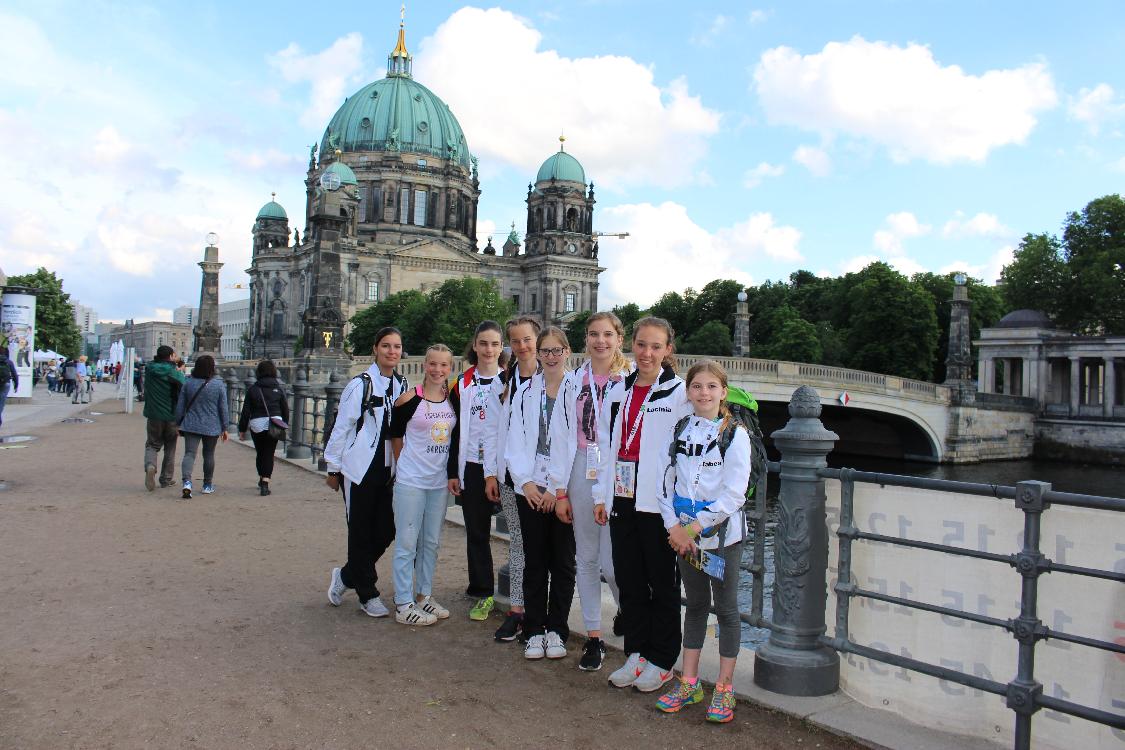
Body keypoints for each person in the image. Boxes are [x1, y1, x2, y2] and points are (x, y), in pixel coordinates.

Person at [655, 360, 752, 723]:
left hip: (721, 537)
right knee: (694, 605)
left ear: (723, 392)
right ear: (688, 390)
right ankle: (690, 681)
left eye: (712, 386)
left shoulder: (735, 435)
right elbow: (666, 483)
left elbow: (734, 496)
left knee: (726, 609)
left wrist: (691, 529)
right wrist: (673, 528)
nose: (704, 393)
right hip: (685, 537)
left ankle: (725, 687)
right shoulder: (680, 429)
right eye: (697, 386)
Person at [599, 316, 691, 693]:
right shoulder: (619, 388)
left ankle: (662, 659)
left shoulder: (679, 393)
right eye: (641, 345)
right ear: (631, 346)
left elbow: (687, 453)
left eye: (656, 346)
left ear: (668, 349)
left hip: (658, 504)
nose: (647, 353)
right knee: (629, 578)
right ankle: (636, 652)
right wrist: (600, 496)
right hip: (622, 495)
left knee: (662, 584)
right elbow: (607, 446)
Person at [541, 311, 631, 671]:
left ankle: (629, 609)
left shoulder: (628, 380)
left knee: (614, 561)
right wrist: (559, 489)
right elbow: (561, 436)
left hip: (615, 472)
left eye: (607, 335)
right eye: (594, 334)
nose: (600, 341)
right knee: (587, 557)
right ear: (586, 339)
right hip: (581, 465)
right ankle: (594, 636)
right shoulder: (573, 380)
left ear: (618, 339)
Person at [323, 327, 409, 618]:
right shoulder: (360, 384)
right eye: (386, 346)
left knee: (387, 529)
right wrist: (333, 468)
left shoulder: (402, 384)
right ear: (375, 349)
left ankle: (347, 576)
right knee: (359, 532)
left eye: (396, 347)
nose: (392, 352)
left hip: (389, 468)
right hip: (360, 467)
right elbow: (341, 427)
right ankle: (367, 593)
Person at [506, 326, 577, 660]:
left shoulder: (578, 389)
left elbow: (577, 443)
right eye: (544, 351)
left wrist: (557, 487)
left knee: (562, 562)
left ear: (567, 352)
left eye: (556, 350)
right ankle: (534, 628)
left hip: (562, 491)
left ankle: (556, 629)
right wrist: (526, 483)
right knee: (534, 561)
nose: (550, 357)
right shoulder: (524, 392)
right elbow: (515, 440)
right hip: (531, 488)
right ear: (538, 354)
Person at [387, 344, 458, 626]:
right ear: (424, 365)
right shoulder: (408, 400)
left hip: (438, 482)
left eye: (443, 365)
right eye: (433, 364)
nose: (438, 370)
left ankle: (423, 595)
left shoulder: (452, 400)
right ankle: (403, 603)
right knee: (407, 542)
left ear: (450, 368)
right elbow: (395, 435)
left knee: (431, 542)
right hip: (411, 481)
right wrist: (403, 464)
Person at [447, 320, 508, 622]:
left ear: (501, 348)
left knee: (520, 535)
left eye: (495, 344)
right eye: (483, 343)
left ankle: (521, 595)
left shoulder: (509, 382)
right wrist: (452, 472)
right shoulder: (462, 383)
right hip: (471, 465)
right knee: (477, 533)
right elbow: (454, 429)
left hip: (502, 468)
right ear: (475, 346)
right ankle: (482, 590)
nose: (488, 349)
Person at [492, 316, 541, 642]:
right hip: (510, 477)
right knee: (520, 546)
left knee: (543, 548)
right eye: (516, 341)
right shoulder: (506, 380)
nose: (522, 346)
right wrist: (491, 473)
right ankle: (518, 611)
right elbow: (496, 431)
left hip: (541, 480)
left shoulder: (553, 378)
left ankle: (537, 612)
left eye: (527, 340)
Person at [175, 354, 228, 498]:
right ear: (212, 368)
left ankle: (187, 483)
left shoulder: (188, 383)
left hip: (191, 424)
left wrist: (178, 423)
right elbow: (223, 408)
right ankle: (207, 485)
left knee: (189, 454)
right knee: (209, 454)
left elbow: (180, 406)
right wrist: (225, 427)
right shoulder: (218, 384)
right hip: (212, 425)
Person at [237, 359, 290, 496]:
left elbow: (246, 412)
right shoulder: (278, 389)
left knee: (261, 452)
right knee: (269, 453)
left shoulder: (253, 389)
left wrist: (242, 429)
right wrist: (285, 424)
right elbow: (285, 409)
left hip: (257, 424)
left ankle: (262, 477)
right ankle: (265, 482)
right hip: (275, 423)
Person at [142, 346, 186, 491]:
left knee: (152, 444)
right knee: (170, 447)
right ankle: (166, 479)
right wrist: (179, 367)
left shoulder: (149, 369)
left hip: (153, 413)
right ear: (171, 356)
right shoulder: (173, 372)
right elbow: (184, 385)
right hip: (171, 414)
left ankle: (150, 465)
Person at [0, 346, 18, 428]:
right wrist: (16, 385)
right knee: (1, 403)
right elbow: (14, 374)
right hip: (5, 384)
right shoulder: (9, 362)